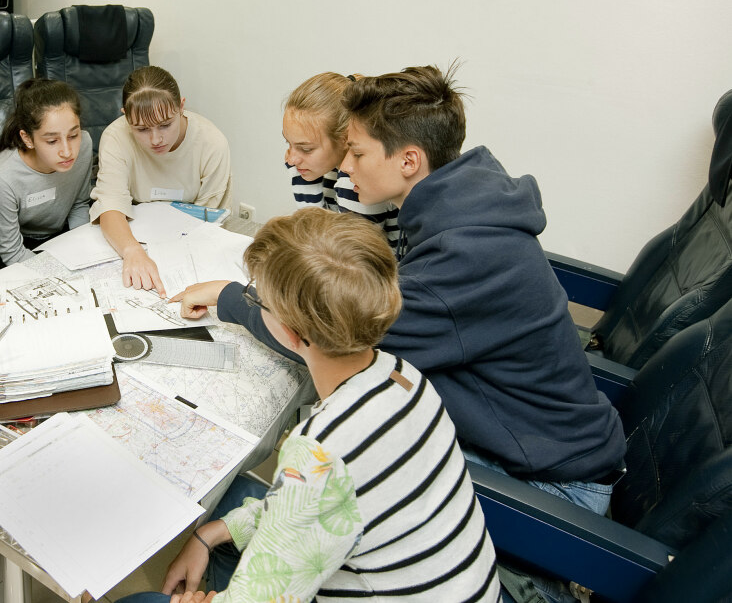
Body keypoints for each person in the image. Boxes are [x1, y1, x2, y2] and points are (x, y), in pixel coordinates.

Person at [174, 64, 625, 518]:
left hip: (553, 487)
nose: (345, 167)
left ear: (408, 161)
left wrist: (233, 298)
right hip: (541, 442)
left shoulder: (461, 260)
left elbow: (334, 340)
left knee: (301, 486)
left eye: (357, 153)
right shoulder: (467, 204)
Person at [126, 209, 499, 603]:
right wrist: (215, 531)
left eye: (257, 299)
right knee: (233, 504)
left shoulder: (319, 452)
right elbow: (324, 498)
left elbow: (318, 490)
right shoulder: (403, 375)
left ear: (288, 331)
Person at [91, 65, 233, 295]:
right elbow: (110, 205)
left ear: (181, 106)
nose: (156, 139)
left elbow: (212, 219)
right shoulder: (115, 137)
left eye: (165, 125)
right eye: (141, 129)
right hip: (134, 234)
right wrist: (132, 251)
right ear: (125, 116)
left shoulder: (212, 143)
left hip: (190, 240)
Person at [0, 79, 93, 268]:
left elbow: (79, 204)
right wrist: (60, 271)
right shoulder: (3, 176)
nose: (67, 151)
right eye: (52, 141)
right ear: (28, 139)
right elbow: (12, 252)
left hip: (55, 232)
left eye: (73, 136)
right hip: (11, 242)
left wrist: (82, 248)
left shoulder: (85, 145)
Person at [282, 72, 400, 249]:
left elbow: (347, 257)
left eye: (306, 149)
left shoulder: (356, 181)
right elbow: (312, 236)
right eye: (288, 143)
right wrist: (303, 176)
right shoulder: (319, 167)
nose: (291, 159)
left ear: (344, 138)